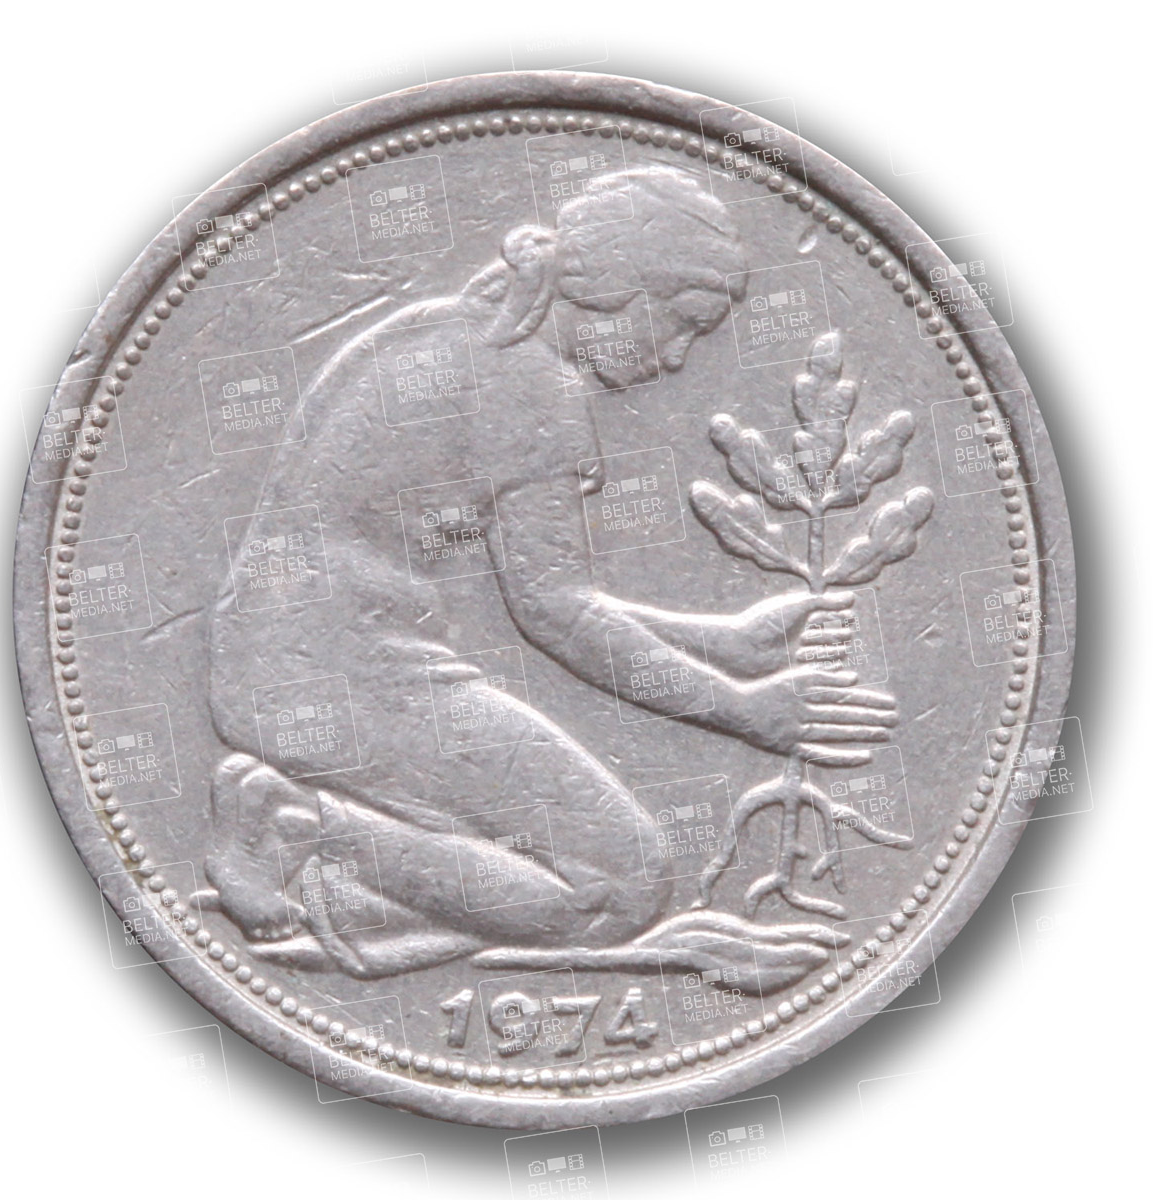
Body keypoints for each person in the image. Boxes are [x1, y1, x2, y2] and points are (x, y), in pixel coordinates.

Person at [201, 164, 896, 982]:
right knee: (618, 887)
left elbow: (551, 599)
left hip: (282, 662)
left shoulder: (447, 330)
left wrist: (727, 643)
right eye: (683, 322)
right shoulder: (528, 385)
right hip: (339, 679)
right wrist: (743, 708)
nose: (676, 357)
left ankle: (319, 863)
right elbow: (556, 613)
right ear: (621, 290)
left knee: (565, 869)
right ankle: (296, 824)